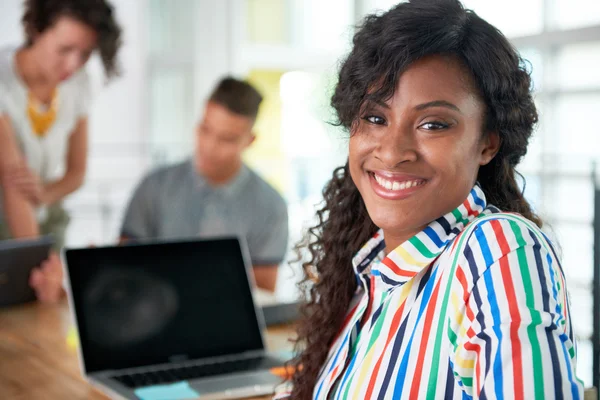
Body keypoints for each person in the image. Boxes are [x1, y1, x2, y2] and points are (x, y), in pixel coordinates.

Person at [285, 0, 584, 399]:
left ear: (487, 143)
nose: (392, 152)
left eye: (433, 124)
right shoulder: (368, 275)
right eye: (375, 118)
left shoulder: (497, 251)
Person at [0, 0, 121, 302]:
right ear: (37, 29)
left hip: (47, 224)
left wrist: (45, 194)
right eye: (64, 49)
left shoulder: (78, 84)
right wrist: (40, 267)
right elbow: (14, 184)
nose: (73, 64)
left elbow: (77, 172)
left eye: (85, 53)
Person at [120, 77, 289, 292]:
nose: (209, 147)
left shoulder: (271, 205)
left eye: (226, 139)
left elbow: (263, 290)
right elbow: (123, 266)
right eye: (205, 129)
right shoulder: (154, 187)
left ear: (249, 141)